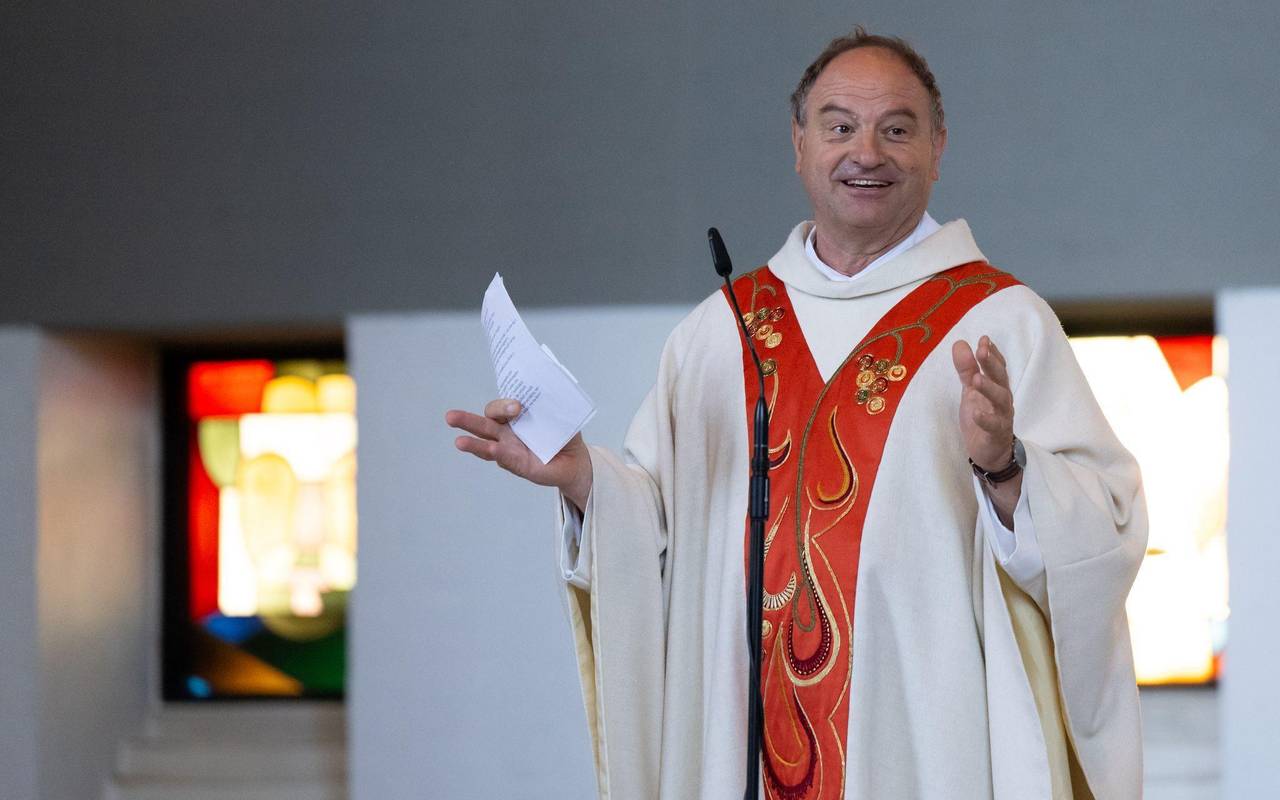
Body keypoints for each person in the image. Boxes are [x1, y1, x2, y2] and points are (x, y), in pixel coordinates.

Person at [446, 27, 1145, 800]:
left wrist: (1007, 468)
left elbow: (1105, 531)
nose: (866, 153)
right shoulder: (723, 329)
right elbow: (663, 539)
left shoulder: (1000, 321)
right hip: (738, 747)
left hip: (921, 750)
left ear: (939, 147)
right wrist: (586, 483)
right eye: (840, 125)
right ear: (799, 142)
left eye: (897, 129)